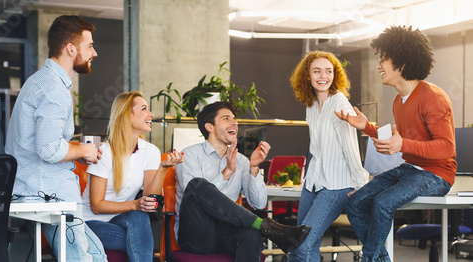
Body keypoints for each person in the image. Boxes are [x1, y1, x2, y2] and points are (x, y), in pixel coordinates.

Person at [335, 26, 456, 262]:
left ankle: (370, 258)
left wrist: (403, 146)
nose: (379, 66)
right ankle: (380, 260)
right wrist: (367, 127)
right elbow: (399, 140)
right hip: (412, 170)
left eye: (383, 60)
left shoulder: (433, 97)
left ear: (401, 63)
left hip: (437, 174)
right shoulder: (398, 101)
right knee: (355, 203)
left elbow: (446, 148)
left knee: (382, 203)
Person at [5, 16, 106, 261]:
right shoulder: (54, 89)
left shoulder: (40, 81)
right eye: (89, 45)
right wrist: (83, 151)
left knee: (96, 254)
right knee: (81, 259)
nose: (94, 52)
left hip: (39, 188)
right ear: (71, 49)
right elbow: (49, 149)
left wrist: (77, 151)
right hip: (48, 193)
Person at [175, 101, 311, 262]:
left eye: (234, 118)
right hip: (196, 236)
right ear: (209, 127)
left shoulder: (241, 160)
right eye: (226, 118)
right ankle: (268, 228)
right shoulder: (189, 155)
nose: (235, 122)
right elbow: (195, 194)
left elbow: (259, 203)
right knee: (197, 184)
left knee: (251, 234)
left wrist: (254, 167)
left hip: (226, 234)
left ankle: (265, 227)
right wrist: (227, 173)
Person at [81, 91, 184, 261]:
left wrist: (163, 169)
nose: (151, 114)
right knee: (141, 240)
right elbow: (97, 206)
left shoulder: (150, 151)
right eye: (144, 109)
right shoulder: (104, 152)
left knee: (140, 217)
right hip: (90, 223)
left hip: (122, 219)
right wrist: (135, 204)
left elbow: (149, 200)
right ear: (126, 115)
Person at [287, 51, 369, 261]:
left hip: (336, 184)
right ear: (307, 75)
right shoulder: (311, 104)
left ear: (335, 75)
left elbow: (351, 147)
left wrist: (361, 183)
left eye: (328, 71)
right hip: (313, 182)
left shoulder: (340, 104)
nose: (323, 76)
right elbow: (316, 149)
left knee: (301, 245)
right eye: (317, 71)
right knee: (304, 243)